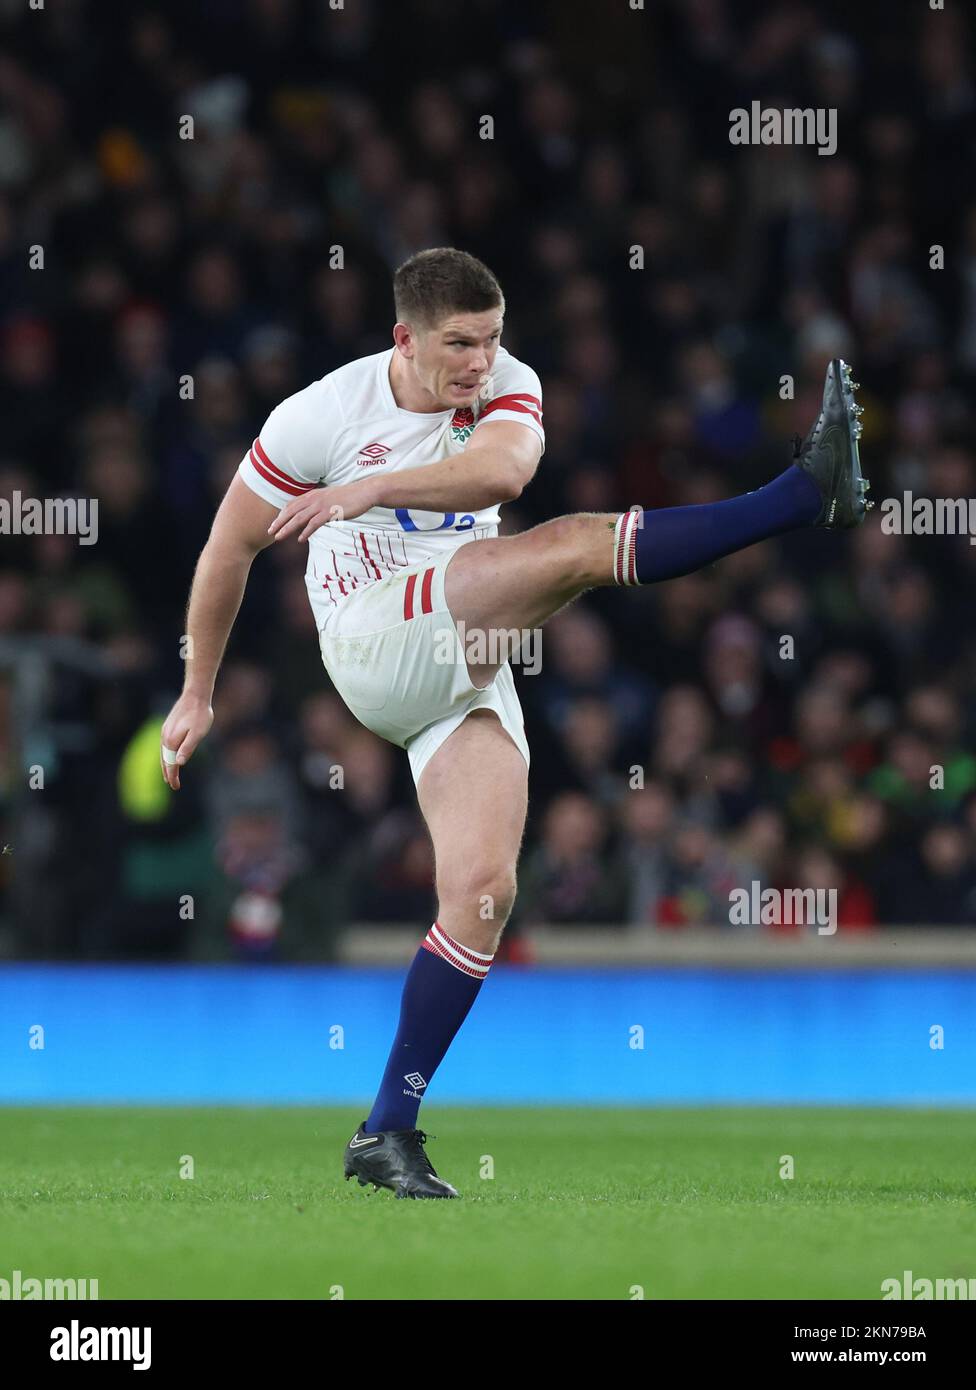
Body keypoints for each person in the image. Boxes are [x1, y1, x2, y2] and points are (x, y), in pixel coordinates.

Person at [160, 247, 870, 1198]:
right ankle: (800, 495)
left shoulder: (505, 386)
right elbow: (227, 547)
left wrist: (371, 490)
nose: (479, 362)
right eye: (459, 344)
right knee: (573, 547)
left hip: (461, 656)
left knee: (485, 895)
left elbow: (504, 472)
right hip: (374, 640)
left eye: (492, 339)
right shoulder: (321, 415)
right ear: (403, 339)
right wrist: (198, 691)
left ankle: (386, 1133)